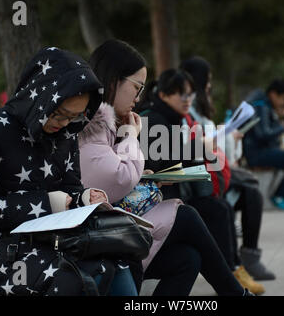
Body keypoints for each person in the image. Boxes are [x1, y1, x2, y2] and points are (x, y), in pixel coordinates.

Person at [0, 47, 138, 296]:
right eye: (59, 114)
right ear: (40, 99)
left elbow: (71, 187)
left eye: (74, 117)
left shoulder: (66, 133)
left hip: (49, 237)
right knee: (73, 283)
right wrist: (46, 203)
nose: (63, 124)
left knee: (116, 263)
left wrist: (84, 197)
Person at [81, 39, 250, 296]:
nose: (138, 98)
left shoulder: (118, 119)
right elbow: (117, 178)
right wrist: (130, 135)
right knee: (189, 216)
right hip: (100, 230)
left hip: (117, 220)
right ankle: (235, 293)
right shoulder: (94, 122)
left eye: (191, 94)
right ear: (113, 81)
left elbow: (122, 172)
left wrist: (144, 175)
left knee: (188, 258)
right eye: (136, 87)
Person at [180, 57, 275, 290]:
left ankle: (244, 262)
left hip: (212, 170)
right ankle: (235, 267)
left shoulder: (195, 108)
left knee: (249, 193)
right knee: (231, 203)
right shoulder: (186, 109)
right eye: (208, 80)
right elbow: (190, 146)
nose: (210, 85)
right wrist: (223, 137)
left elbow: (204, 144)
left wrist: (224, 136)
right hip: (201, 176)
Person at [243, 79, 284, 211]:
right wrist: (282, 127)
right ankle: (280, 196)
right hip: (258, 154)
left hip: (261, 151)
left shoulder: (264, 105)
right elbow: (263, 135)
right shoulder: (261, 107)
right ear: (273, 94)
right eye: (283, 98)